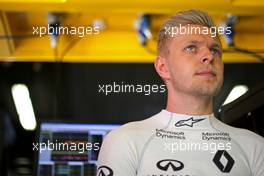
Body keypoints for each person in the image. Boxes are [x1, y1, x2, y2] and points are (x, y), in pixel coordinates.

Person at [96, 9, 264, 176]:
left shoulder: (255, 146)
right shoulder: (125, 141)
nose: (209, 56)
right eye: (191, 48)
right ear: (163, 67)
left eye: (215, 50)